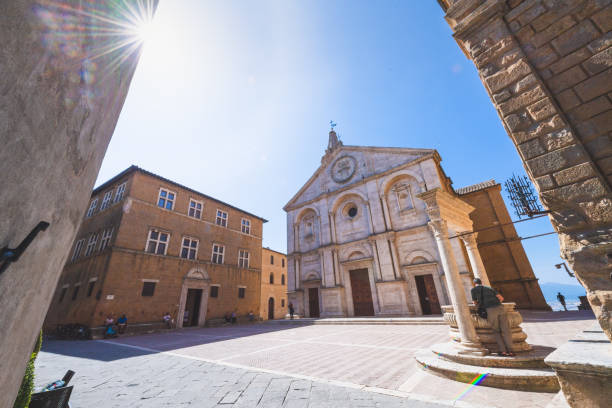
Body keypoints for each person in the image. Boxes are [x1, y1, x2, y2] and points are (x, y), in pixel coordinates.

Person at [471, 278, 515, 357]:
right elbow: (501, 298)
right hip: (500, 308)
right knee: (506, 330)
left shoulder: (474, 290)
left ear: (474, 284)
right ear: (481, 282)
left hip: (490, 310)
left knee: (496, 331)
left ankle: (503, 351)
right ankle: (511, 351)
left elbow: (474, 302)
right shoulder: (489, 288)